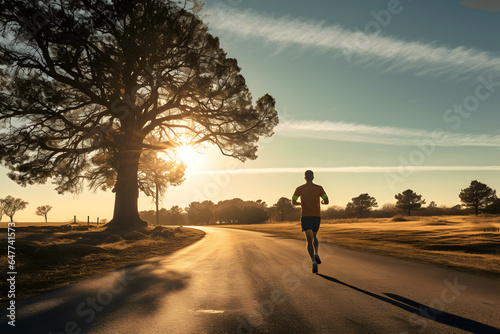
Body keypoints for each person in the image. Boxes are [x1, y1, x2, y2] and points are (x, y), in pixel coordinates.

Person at [292, 170, 329, 273]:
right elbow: (326, 200)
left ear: (305, 178)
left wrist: (301, 204)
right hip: (316, 216)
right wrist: (322, 201)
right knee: (315, 237)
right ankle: (316, 253)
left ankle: (313, 262)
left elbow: (293, 201)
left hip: (305, 216)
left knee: (309, 240)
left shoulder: (299, 189)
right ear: (313, 177)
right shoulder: (319, 188)